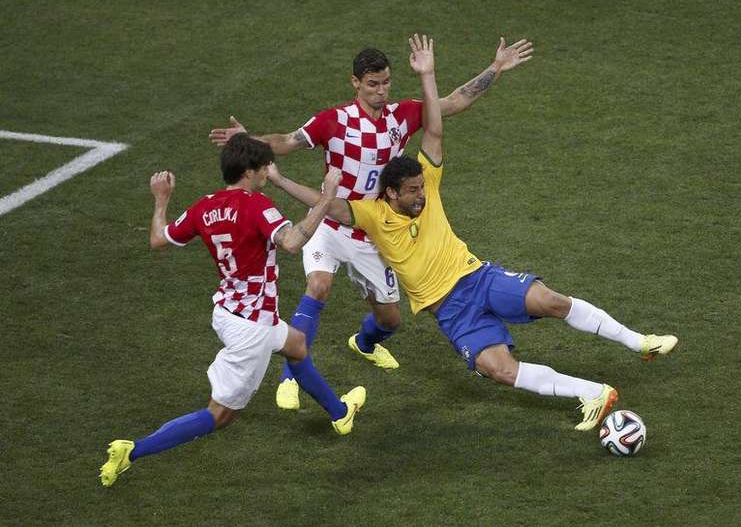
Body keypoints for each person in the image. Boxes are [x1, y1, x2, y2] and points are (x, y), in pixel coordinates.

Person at [266, 35, 679, 431]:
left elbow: (438, 126)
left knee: (550, 299)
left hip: (477, 277)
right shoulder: (370, 214)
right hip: (450, 310)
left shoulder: (425, 178)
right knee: (497, 369)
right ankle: (595, 393)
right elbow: (330, 206)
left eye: (386, 81)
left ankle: (638, 341)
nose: (421, 197)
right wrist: (280, 179)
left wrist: (437, 73)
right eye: (411, 193)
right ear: (391, 192)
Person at [209, 36, 535, 411]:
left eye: (386, 83)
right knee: (318, 285)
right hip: (330, 223)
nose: (381, 91)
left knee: (390, 319)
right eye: (372, 84)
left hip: (375, 231)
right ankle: (290, 377)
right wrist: (248, 139)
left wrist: (495, 68)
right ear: (355, 83)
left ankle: (364, 343)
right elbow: (286, 141)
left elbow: (454, 102)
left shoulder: (404, 115)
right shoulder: (333, 121)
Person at [99, 134, 366, 488]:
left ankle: (340, 413)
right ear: (249, 171)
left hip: (229, 310)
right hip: (251, 326)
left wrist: (161, 200)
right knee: (220, 415)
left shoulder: (203, 206)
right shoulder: (257, 206)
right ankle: (132, 450)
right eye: (264, 168)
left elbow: (158, 239)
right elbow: (291, 241)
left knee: (297, 345)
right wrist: (328, 196)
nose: (267, 173)